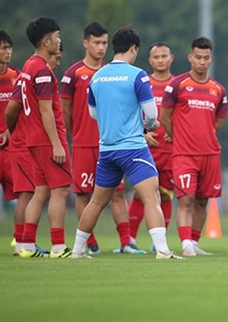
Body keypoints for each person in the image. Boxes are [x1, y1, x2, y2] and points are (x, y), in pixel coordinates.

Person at [70, 26, 180, 259]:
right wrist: (152, 125)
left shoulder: (97, 76)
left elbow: (92, 114)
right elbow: (151, 114)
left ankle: (78, 250)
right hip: (133, 148)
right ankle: (162, 250)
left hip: (107, 150)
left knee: (97, 202)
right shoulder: (137, 75)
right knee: (152, 198)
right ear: (133, 48)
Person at [60, 22, 143, 255]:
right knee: (85, 193)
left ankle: (126, 242)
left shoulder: (112, 72)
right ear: (85, 43)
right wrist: (75, 133)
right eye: (96, 42)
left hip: (111, 143)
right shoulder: (73, 74)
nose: (100, 47)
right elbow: (64, 109)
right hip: (84, 143)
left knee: (117, 192)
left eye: (104, 43)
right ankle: (91, 242)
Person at [8, 17, 72, 258]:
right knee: (61, 191)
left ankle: (25, 245)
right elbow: (46, 110)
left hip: (32, 140)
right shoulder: (43, 70)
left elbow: (10, 110)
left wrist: (12, 132)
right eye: (57, 36)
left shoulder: (27, 67)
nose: (59, 40)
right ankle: (58, 247)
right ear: (47, 41)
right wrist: (57, 143)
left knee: (40, 191)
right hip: (48, 140)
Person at [160, 37, 227, 257]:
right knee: (186, 198)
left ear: (211, 59)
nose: (202, 62)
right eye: (198, 57)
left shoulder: (218, 89)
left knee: (202, 200)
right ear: (190, 57)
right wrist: (175, 136)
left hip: (210, 153)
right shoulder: (177, 85)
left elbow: (218, 120)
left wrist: (205, 134)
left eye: (206, 58)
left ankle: (195, 242)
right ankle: (186, 242)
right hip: (184, 154)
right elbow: (165, 116)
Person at [128, 42, 175, 250]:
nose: (161, 60)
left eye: (164, 56)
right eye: (156, 57)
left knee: (165, 194)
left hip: (170, 150)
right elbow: (130, 112)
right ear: (150, 60)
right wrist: (143, 133)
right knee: (140, 193)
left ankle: (159, 242)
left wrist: (175, 134)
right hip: (145, 148)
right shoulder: (142, 82)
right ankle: (129, 239)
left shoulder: (177, 84)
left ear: (171, 58)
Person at [0, 30, 19, 218]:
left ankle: (21, 242)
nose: (8, 52)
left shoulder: (16, 76)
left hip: (11, 148)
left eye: (9, 47)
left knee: (23, 195)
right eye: (3, 48)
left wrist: (10, 132)